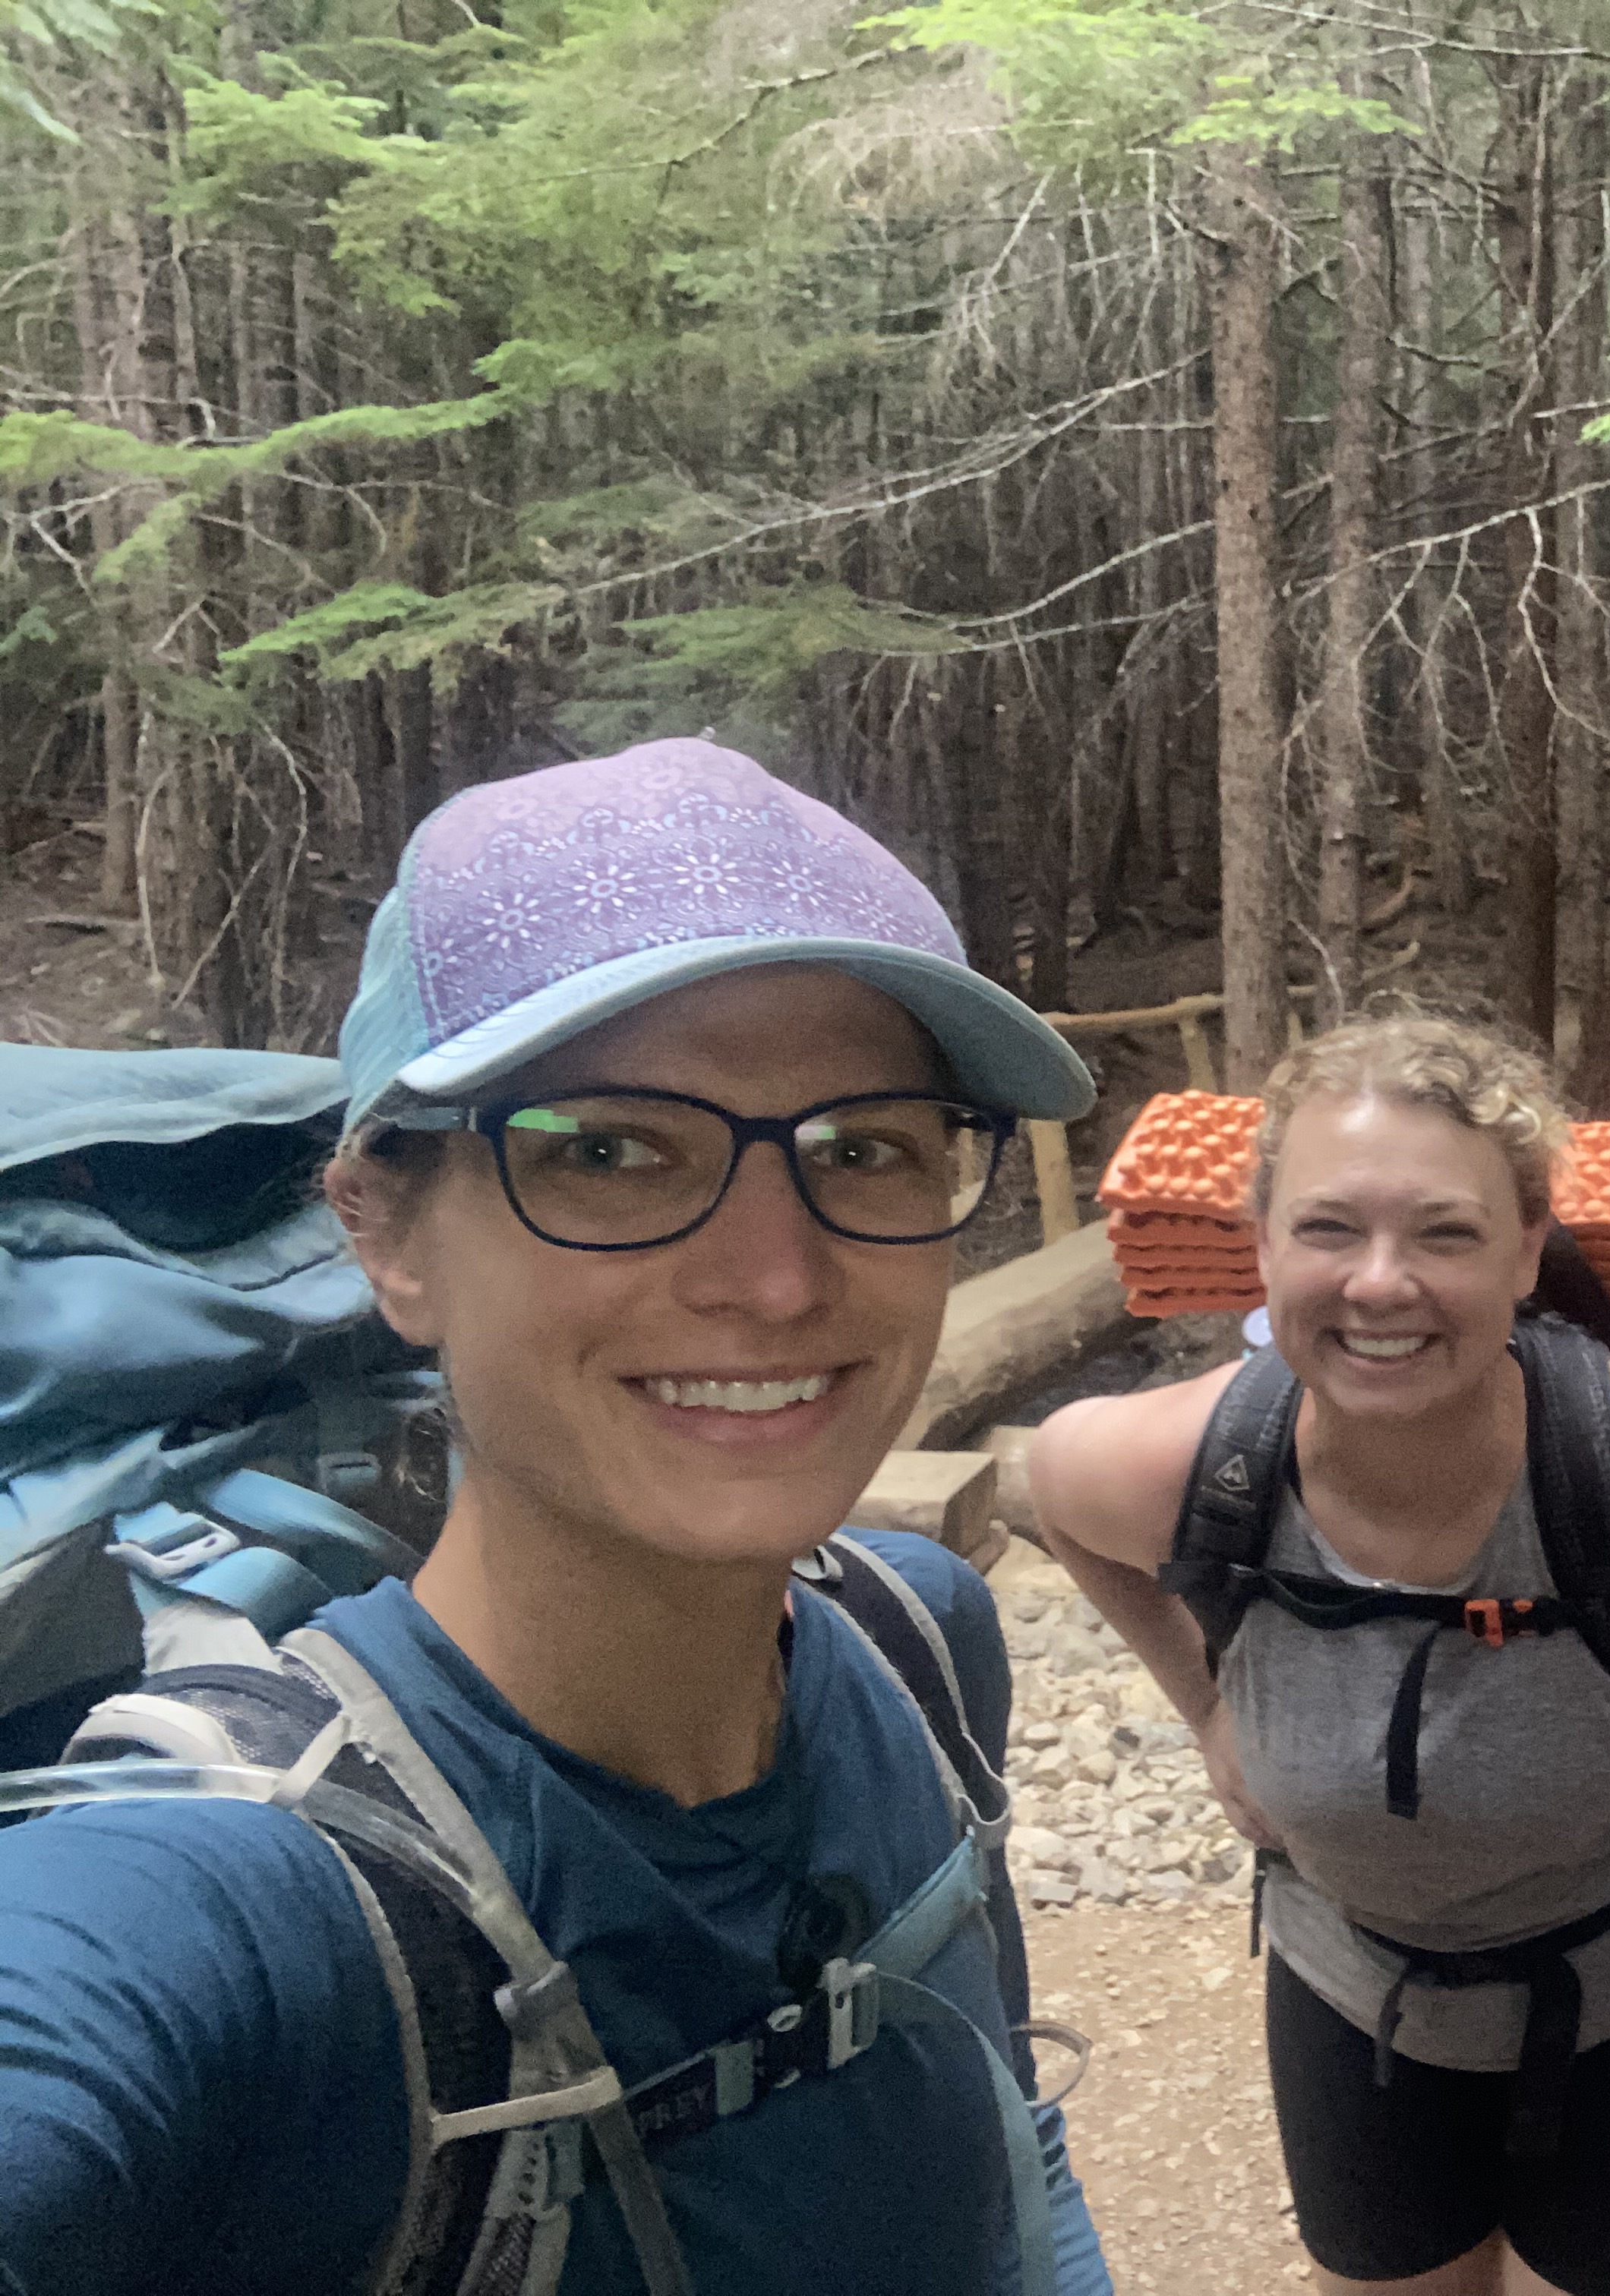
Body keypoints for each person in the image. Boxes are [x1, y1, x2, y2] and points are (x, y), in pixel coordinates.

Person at [0, 739, 1114, 2296]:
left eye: (862, 1149)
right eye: (607, 1151)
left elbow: (1010, 2146)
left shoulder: (918, 1641)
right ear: (385, 1233)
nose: (778, 1279)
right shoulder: (234, 1896)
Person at [1025, 1015, 1610, 2296]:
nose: (1378, 1282)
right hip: (1351, 1987)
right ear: (1261, 1248)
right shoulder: (1187, 1469)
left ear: (1530, 1251)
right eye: (1327, 1228)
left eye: (1445, 1233)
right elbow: (1052, 1494)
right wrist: (1207, 1706)